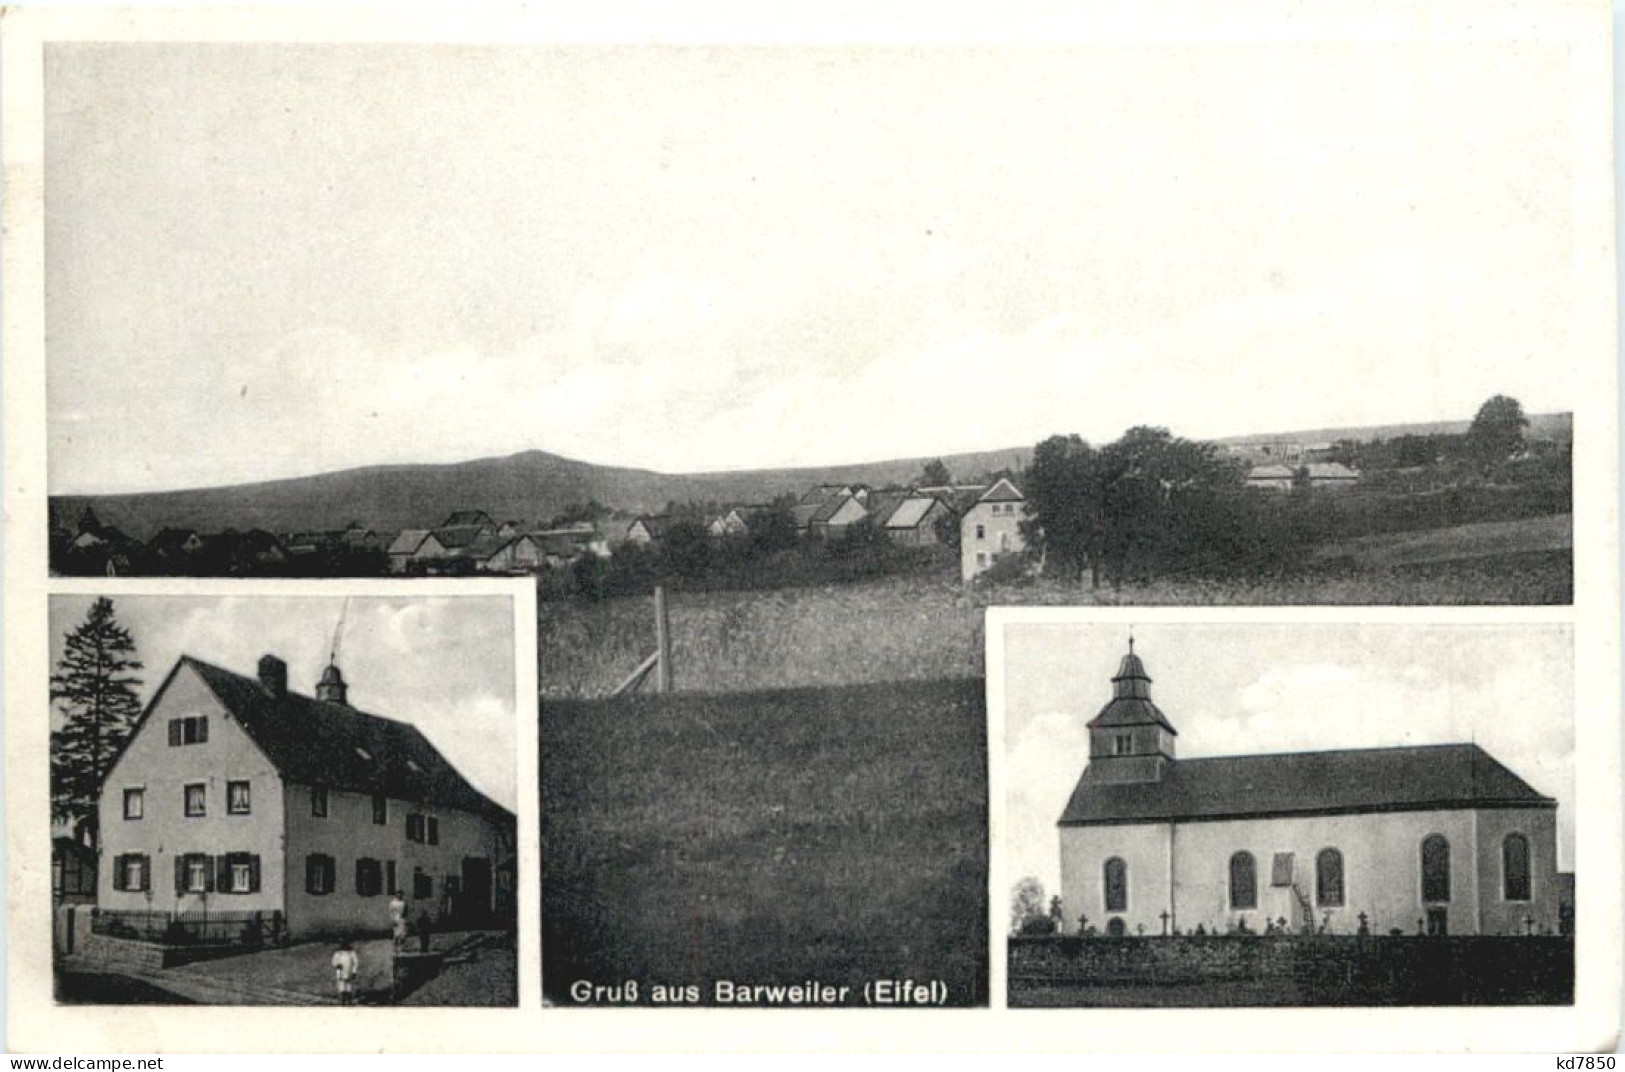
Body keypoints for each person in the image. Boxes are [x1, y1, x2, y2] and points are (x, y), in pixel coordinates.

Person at [331, 940, 360, 1006]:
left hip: (348, 971)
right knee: (341, 985)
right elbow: (334, 961)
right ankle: (342, 1001)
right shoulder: (338, 953)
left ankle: (349, 1001)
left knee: (348, 986)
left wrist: (354, 971)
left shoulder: (351, 953)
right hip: (340, 971)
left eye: (345, 944)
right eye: (342, 944)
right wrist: (337, 965)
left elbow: (355, 962)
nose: (344, 945)